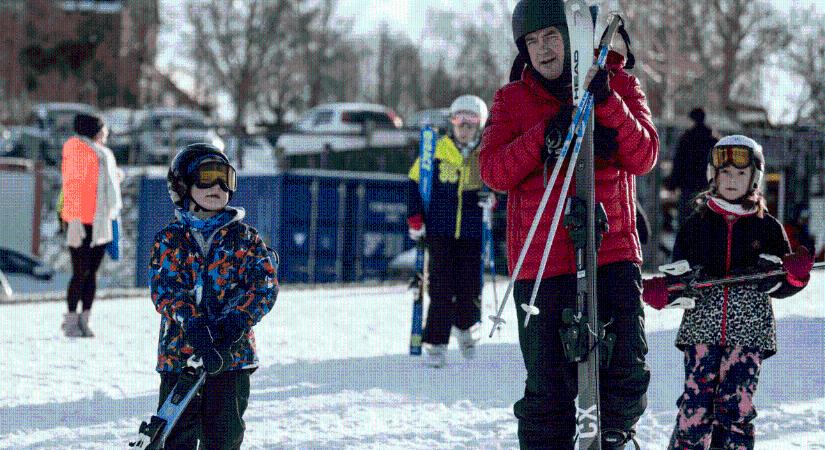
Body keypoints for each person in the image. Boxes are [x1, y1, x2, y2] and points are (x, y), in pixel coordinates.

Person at [477, 0, 659, 447]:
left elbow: (645, 156)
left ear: (575, 37)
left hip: (611, 250)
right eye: (532, 42)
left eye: (552, 37)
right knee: (548, 388)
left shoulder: (621, 86)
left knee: (626, 368)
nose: (542, 51)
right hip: (542, 262)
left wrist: (610, 107)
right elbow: (493, 171)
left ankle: (611, 438)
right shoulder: (512, 99)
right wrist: (542, 138)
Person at [643, 135, 814, 450]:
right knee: (696, 408)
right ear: (713, 175)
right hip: (702, 330)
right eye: (725, 173)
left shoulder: (768, 227)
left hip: (749, 333)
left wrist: (796, 275)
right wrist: (663, 292)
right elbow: (678, 278)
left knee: (735, 407)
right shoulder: (696, 225)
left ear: (754, 179)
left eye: (740, 174)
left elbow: (781, 284)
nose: (732, 180)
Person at [148, 143, 278, 449]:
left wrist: (236, 323)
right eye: (206, 178)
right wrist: (193, 326)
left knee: (224, 435)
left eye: (225, 179)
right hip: (182, 356)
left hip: (231, 356)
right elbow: (166, 288)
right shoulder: (171, 238)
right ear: (182, 185)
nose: (216, 187)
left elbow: (264, 284)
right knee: (176, 436)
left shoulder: (245, 237)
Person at [407, 94, 491, 368]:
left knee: (470, 285)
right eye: (459, 122)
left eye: (470, 123)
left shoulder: (484, 154)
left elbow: (499, 183)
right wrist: (415, 219)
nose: (464, 128)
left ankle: (466, 326)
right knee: (441, 287)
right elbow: (414, 184)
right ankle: (436, 340)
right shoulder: (437, 152)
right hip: (440, 231)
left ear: (479, 126)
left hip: (471, 232)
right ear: (452, 123)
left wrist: (492, 199)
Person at [60, 113, 123, 337]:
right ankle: (71, 321)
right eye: (103, 130)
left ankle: (84, 319)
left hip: (99, 220)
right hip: (81, 220)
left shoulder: (101, 154)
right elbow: (76, 183)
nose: (105, 134)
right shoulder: (80, 150)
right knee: (81, 272)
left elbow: (98, 182)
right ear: (94, 131)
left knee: (90, 273)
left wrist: (115, 176)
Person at [668, 107, 719, 228]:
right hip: (707, 185)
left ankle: (686, 245)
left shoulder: (686, 138)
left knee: (685, 221)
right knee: (706, 220)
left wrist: (673, 183)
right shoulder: (713, 140)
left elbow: (679, 163)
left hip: (688, 185)